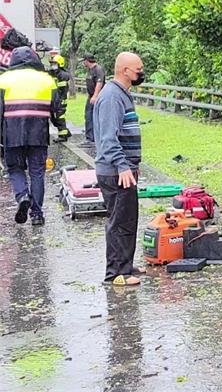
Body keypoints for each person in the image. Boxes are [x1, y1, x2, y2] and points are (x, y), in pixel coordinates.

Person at [94, 52, 146, 287]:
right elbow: (108, 138)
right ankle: (116, 273)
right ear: (125, 71)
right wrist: (123, 166)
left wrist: (133, 165)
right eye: (138, 70)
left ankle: (126, 264)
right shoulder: (112, 97)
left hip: (126, 169)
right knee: (118, 221)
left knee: (128, 219)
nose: (141, 74)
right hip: (115, 171)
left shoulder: (123, 95)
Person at [0, 47, 60, 226]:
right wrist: (58, 126)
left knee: (14, 168)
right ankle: (37, 214)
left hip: (12, 135)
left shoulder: (3, 80)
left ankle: (22, 195)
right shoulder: (47, 80)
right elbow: (56, 109)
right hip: (39, 135)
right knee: (37, 173)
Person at [81, 54, 105, 145]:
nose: (83, 62)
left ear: (87, 60)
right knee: (88, 116)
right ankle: (90, 136)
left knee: (93, 116)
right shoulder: (90, 70)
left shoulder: (98, 69)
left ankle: (92, 138)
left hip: (97, 96)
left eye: (84, 60)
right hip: (90, 96)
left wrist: (95, 96)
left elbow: (99, 83)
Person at [47, 54, 71, 142]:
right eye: (52, 63)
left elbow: (62, 90)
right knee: (53, 118)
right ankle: (66, 132)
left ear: (60, 64)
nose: (53, 65)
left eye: (54, 63)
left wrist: (59, 101)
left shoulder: (63, 75)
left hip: (60, 100)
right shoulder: (52, 73)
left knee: (60, 117)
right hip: (53, 100)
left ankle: (63, 136)